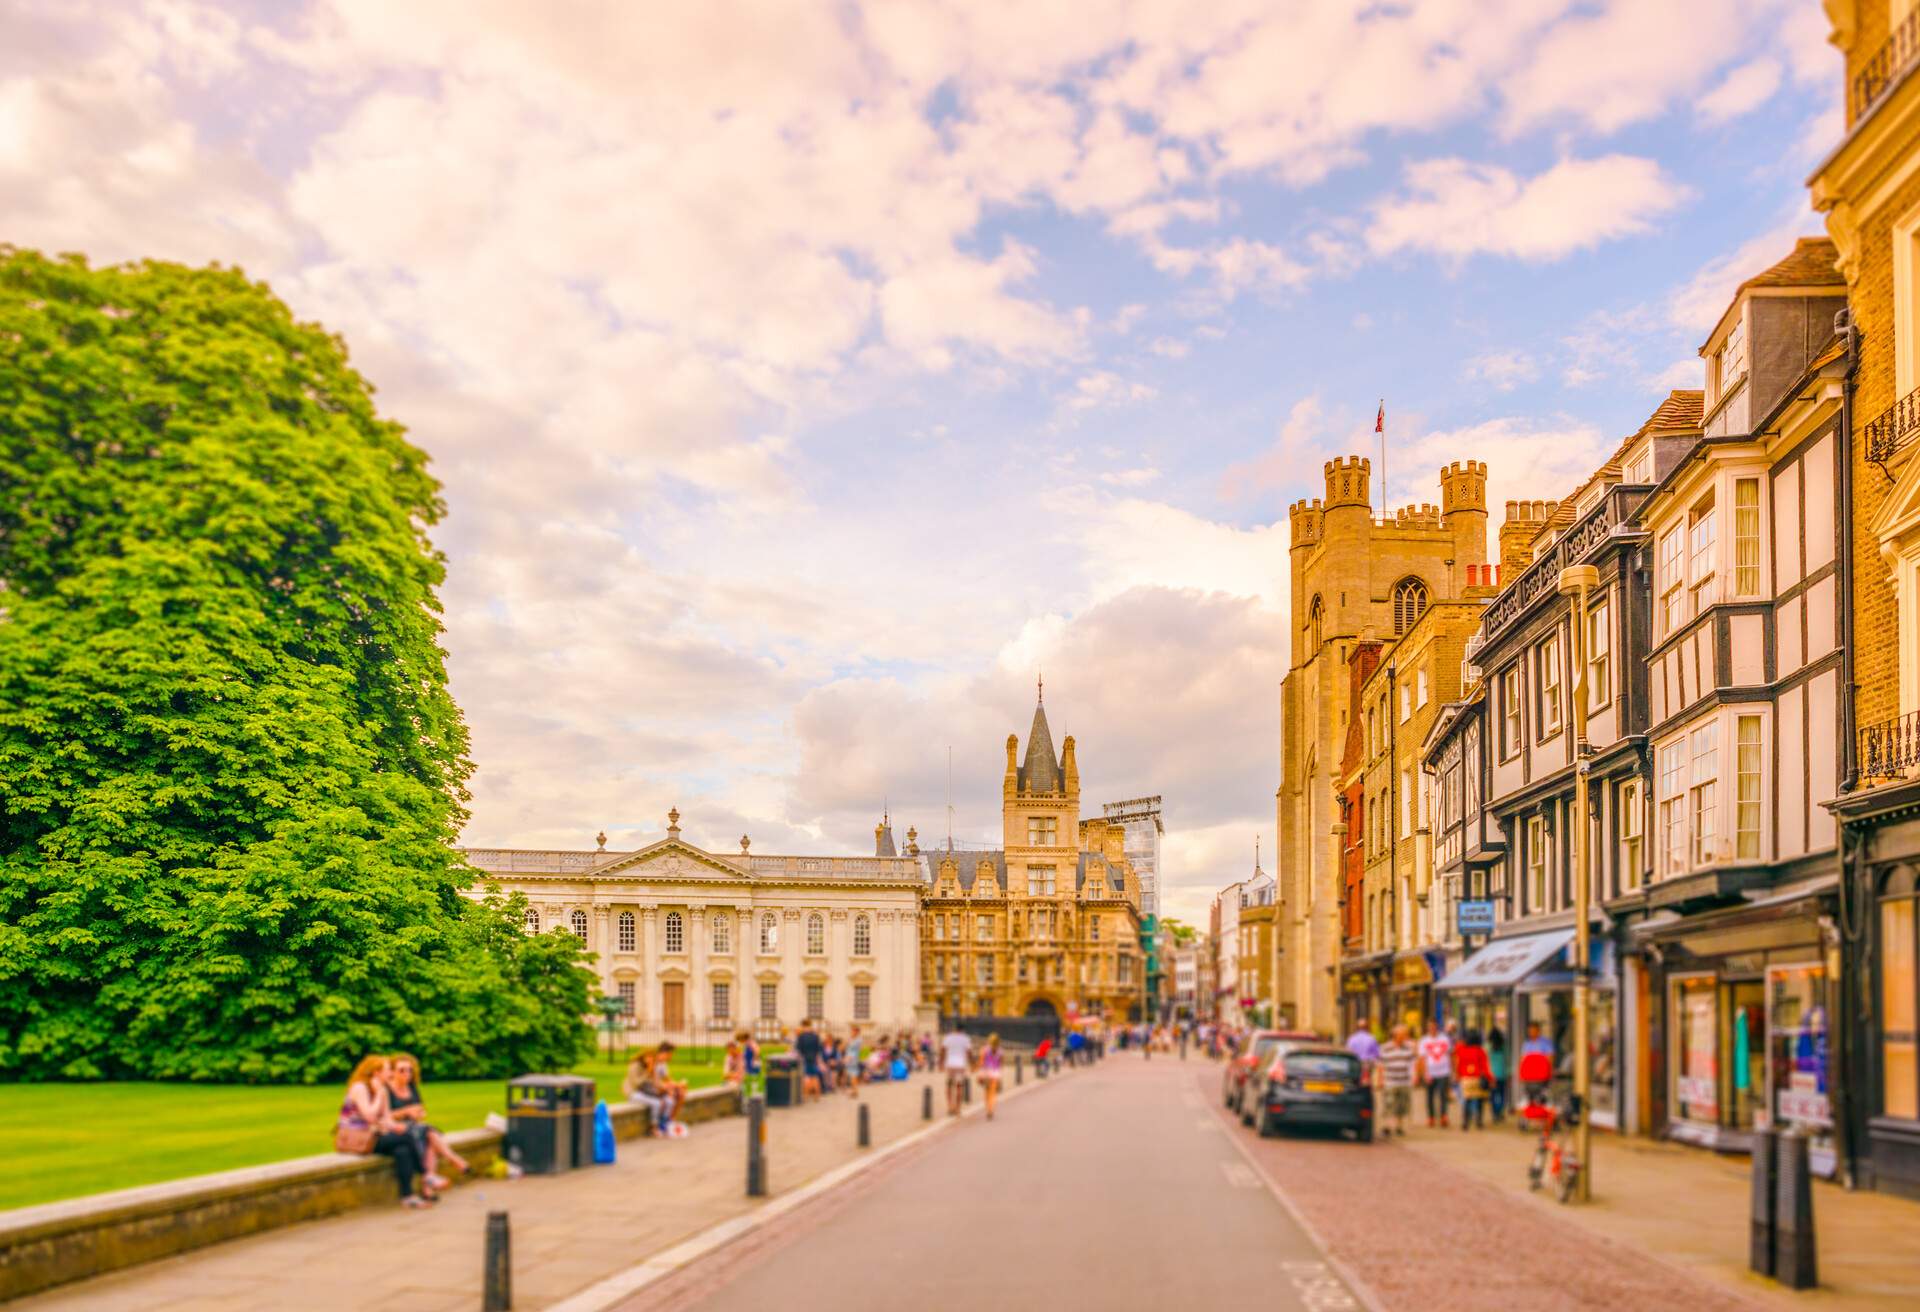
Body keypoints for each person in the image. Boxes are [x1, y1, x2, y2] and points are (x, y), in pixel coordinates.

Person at [338, 1055, 433, 1207]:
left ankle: (407, 1197)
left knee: (403, 1150)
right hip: (358, 1139)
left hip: (374, 1136)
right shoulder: (360, 1087)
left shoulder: (381, 1088)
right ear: (376, 1072)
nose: (391, 1073)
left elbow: (387, 1119)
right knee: (408, 1137)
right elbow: (369, 1116)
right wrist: (380, 1095)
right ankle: (426, 1174)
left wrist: (399, 1127)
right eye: (388, 1069)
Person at [384, 1053, 469, 1190]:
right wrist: (406, 1112)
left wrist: (419, 1113)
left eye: (410, 1070)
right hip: (396, 1129)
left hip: (414, 1127)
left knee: (430, 1140)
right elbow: (383, 1116)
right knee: (429, 1133)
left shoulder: (411, 1088)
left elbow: (421, 1109)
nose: (407, 1073)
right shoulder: (386, 1090)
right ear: (392, 1072)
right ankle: (452, 1160)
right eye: (402, 1070)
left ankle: (428, 1186)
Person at [1376, 1024, 1417, 1137]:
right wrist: (1380, 1080)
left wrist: (1414, 1076)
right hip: (1390, 1081)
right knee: (1389, 1104)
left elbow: (1412, 1063)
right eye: (1403, 1035)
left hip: (1404, 1081)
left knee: (1401, 1105)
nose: (1405, 1037)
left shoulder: (1408, 1047)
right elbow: (1380, 1065)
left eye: (1405, 1035)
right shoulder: (1385, 1047)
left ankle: (1399, 1127)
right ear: (1395, 1035)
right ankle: (1387, 1126)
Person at [622, 1048, 671, 1135]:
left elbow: (655, 1083)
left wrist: (663, 1089)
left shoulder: (650, 1067)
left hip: (645, 1091)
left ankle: (663, 1124)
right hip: (633, 1093)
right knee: (656, 1103)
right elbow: (637, 1083)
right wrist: (648, 1071)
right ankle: (653, 1128)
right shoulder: (635, 1066)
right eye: (648, 1057)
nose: (650, 1060)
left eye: (652, 1058)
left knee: (668, 1101)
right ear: (643, 1057)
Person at [1453, 1028, 1491, 1130]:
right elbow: (1485, 1067)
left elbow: (1458, 1065)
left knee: (1467, 1101)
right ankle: (1479, 1122)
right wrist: (1490, 1078)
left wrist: (1457, 1076)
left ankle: (1465, 1122)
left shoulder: (1462, 1050)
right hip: (1477, 1078)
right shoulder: (1480, 1051)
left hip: (1466, 1079)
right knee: (1479, 1100)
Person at [1418, 1019, 1454, 1128]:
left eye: (1434, 1026)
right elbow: (1422, 1058)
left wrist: (1453, 1070)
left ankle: (1444, 1116)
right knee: (1430, 1096)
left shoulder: (1445, 1039)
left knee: (1443, 1095)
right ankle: (1431, 1117)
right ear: (1427, 1028)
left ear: (1437, 1027)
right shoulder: (1424, 1040)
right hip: (1430, 1072)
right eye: (1430, 1027)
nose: (1432, 1029)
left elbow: (1451, 1055)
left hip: (1444, 1071)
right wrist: (1424, 1073)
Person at [941, 1025, 974, 1115]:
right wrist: (972, 1064)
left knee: (949, 1085)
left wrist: (941, 1063)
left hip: (950, 1064)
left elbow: (943, 1050)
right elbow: (969, 1052)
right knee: (959, 1087)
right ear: (962, 1030)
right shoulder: (966, 1039)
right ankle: (957, 1108)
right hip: (960, 1065)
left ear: (954, 1029)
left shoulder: (948, 1037)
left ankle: (950, 1106)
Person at [794, 1018, 824, 1100]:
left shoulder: (801, 1037)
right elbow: (819, 1049)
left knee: (806, 1077)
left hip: (805, 1058)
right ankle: (817, 1095)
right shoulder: (815, 1036)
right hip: (814, 1058)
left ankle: (806, 1095)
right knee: (815, 1077)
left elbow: (798, 1050)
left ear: (803, 1026)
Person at [978, 1033, 1004, 1120]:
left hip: (986, 1072)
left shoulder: (984, 1050)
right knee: (993, 1093)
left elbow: (981, 1063)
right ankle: (991, 1109)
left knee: (986, 1092)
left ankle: (988, 1109)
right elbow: (1000, 1064)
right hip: (995, 1073)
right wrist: (1000, 1075)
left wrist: (980, 1074)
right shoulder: (1000, 1051)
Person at [1486, 1027, 1510, 1124]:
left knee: (1493, 1095)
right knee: (1502, 1095)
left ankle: (1495, 1113)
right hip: (1502, 1074)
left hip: (1491, 1075)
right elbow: (1507, 1061)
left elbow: (1486, 1062)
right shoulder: (1504, 1047)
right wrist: (1508, 1074)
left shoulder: (1487, 1046)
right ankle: (1500, 1111)